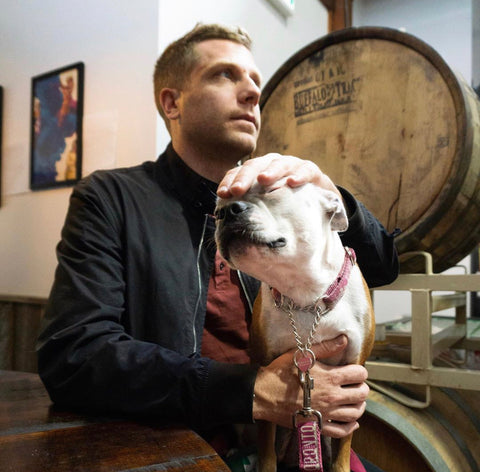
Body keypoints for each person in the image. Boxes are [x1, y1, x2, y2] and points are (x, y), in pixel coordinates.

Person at [37, 23, 398, 471]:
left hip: (293, 441)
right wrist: (254, 391)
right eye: (225, 75)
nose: (251, 94)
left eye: (255, 83)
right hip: (174, 444)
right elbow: (72, 355)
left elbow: (383, 266)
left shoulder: (283, 203)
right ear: (172, 103)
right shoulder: (110, 199)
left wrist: (333, 195)